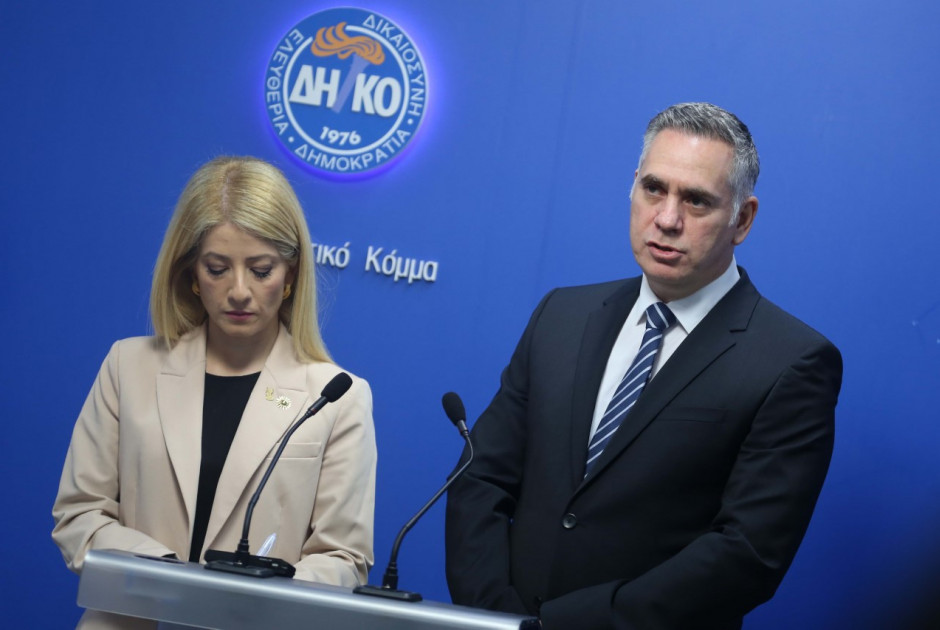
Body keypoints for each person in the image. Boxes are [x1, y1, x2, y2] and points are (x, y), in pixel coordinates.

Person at [445, 103, 842, 629]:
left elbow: (746, 553)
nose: (668, 219)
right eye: (654, 188)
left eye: (696, 200)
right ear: (633, 186)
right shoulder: (561, 316)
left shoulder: (791, 361)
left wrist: (563, 627)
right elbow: (481, 479)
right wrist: (496, 616)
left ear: (742, 219)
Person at [52, 156, 376, 628]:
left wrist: (248, 596)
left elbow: (343, 558)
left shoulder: (337, 396)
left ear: (290, 275)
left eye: (261, 270)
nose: (239, 291)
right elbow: (80, 514)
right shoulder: (128, 366)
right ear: (190, 273)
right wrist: (171, 581)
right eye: (218, 268)